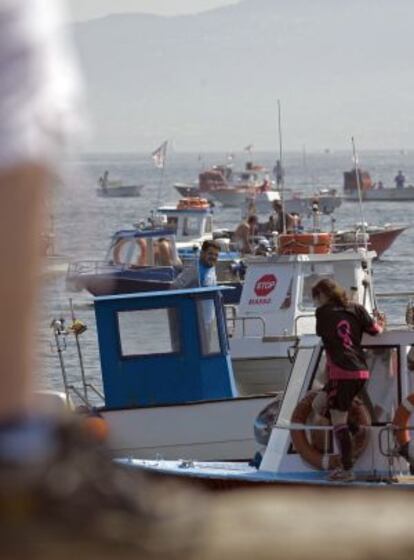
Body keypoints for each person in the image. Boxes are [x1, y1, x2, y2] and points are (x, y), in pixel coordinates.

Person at [311, 279, 384, 481]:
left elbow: (325, 335)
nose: (315, 303)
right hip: (360, 371)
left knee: (337, 419)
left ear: (322, 295)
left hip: (342, 372)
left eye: (315, 298)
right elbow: (376, 331)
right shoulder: (357, 308)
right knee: (319, 405)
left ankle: (347, 470)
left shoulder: (323, 312)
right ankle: (355, 429)